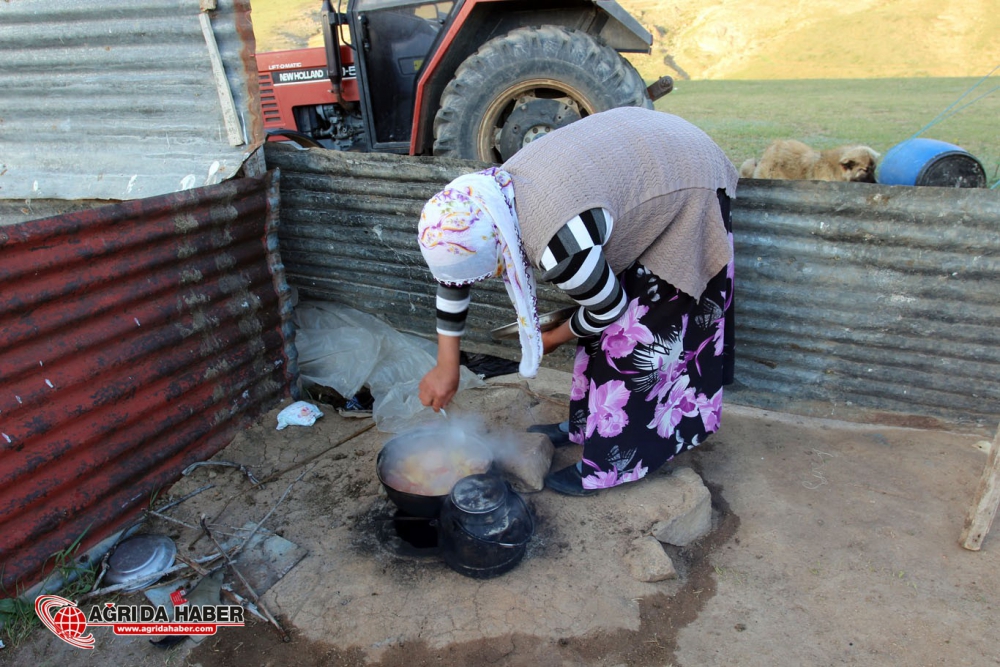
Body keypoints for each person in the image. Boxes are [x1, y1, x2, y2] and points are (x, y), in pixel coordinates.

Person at [416, 107, 738, 496]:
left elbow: (609, 309)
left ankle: (615, 461)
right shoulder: (478, 203)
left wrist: (552, 339)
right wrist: (446, 364)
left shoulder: (559, 245)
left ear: (500, 253)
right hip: (643, 156)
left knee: (634, 339)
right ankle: (590, 425)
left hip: (687, 178)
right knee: (600, 315)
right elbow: (456, 271)